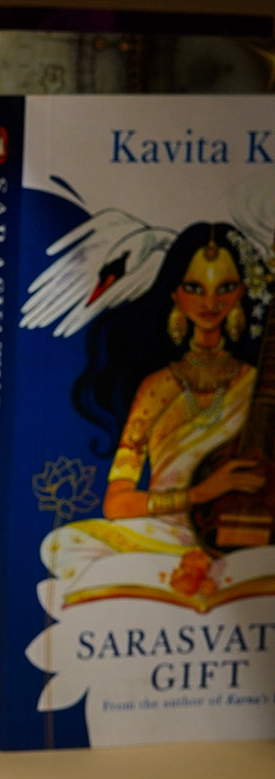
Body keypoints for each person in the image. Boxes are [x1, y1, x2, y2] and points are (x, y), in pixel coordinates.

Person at [44, 222, 266, 582]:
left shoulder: (256, 384)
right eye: (195, 288)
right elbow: (117, 504)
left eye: (224, 288)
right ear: (175, 293)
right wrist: (198, 493)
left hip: (238, 535)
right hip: (163, 538)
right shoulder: (156, 387)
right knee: (62, 544)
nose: (210, 302)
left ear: (241, 292)